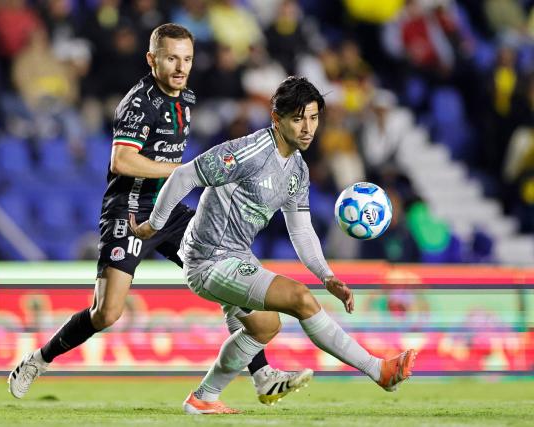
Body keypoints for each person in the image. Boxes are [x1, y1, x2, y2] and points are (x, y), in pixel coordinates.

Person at [8, 23, 312, 404]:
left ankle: (263, 374)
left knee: (225, 275)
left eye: (186, 58)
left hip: (170, 210)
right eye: (171, 58)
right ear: (152, 59)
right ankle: (39, 360)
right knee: (106, 313)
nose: (180, 66)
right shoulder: (140, 103)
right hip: (129, 211)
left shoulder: (186, 98)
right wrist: (183, 173)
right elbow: (121, 160)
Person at [130, 76, 417, 414]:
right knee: (299, 298)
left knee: (266, 326)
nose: (308, 127)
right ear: (276, 119)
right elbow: (183, 176)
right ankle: (378, 369)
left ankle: (204, 398)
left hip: (235, 256)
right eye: (298, 119)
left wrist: (326, 275)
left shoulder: (297, 168)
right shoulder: (248, 151)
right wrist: (154, 225)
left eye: (313, 118)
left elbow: (301, 229)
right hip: (208, 259)